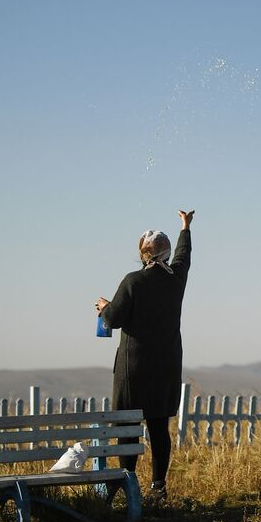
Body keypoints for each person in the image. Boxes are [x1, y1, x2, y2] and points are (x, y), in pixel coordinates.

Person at [95, 209, 194, 502]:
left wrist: (105, 306)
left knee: (128, 428)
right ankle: (158, 487)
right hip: (165, 367)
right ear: (165, 254)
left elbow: (113, 319)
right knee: (158, 427)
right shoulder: (176, 279)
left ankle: (128, 483)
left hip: (133, 369)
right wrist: (185, 227)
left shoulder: (133, 281)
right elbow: (184, 256)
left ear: (142, 254)